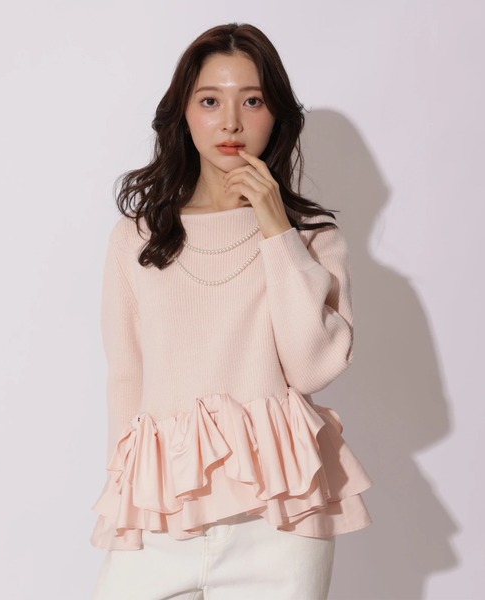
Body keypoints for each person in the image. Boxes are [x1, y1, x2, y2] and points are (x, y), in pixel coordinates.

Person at [90, 22, 372, 600]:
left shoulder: (312, 238)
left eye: (252, 101)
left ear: (277, 116)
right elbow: (125, 376)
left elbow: (313, 366)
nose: (231, 123)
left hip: (282, 518)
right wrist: (125, 507)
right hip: (164, 513)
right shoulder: (136, 238)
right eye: (210, 101)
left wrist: (276, 228)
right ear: (184, 113)